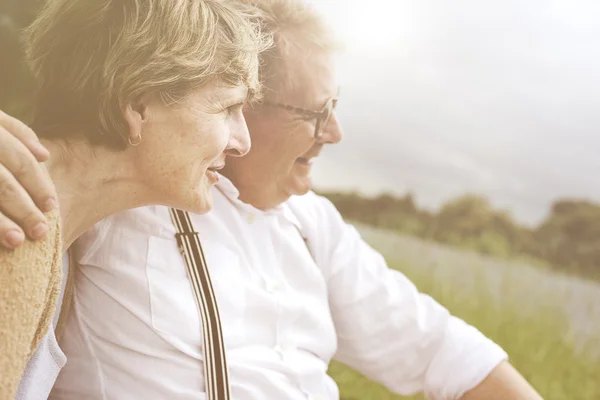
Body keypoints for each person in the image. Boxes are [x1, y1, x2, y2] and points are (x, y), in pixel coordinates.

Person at [1, 0, 543, 399]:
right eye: (314, 111)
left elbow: (439, 348)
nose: (334, 132)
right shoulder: (109, 200)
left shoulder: (312, 225)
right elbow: (70, 147)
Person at [0, 0, 270, 398]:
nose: (243, 143)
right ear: (137, 105)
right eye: (228, 107)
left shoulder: (58, 251)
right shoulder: (16, 230)